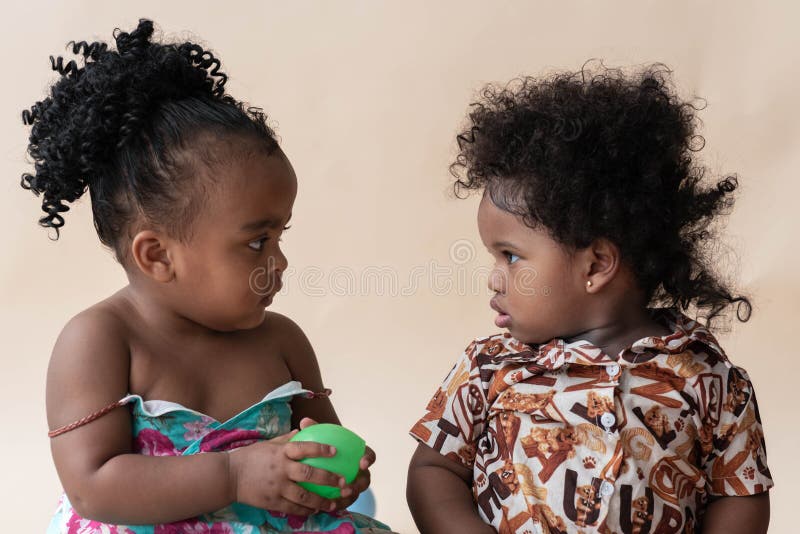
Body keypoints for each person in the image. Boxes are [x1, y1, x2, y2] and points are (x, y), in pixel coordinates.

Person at [22, 18, 390, 534]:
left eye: (281, 236)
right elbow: (92, 485)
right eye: (258, 241)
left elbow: (326, 445)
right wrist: (233, 473)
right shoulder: (99, 341)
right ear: (157, 256)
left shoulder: (282, 341)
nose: (279, 261)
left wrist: (336, 472)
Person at [407, 63, 772, 533]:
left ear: (596, 265)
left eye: (511, 257)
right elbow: (433, 472)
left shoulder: (706, 375)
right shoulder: (489, 368)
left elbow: (739, 493)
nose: (494, 280)